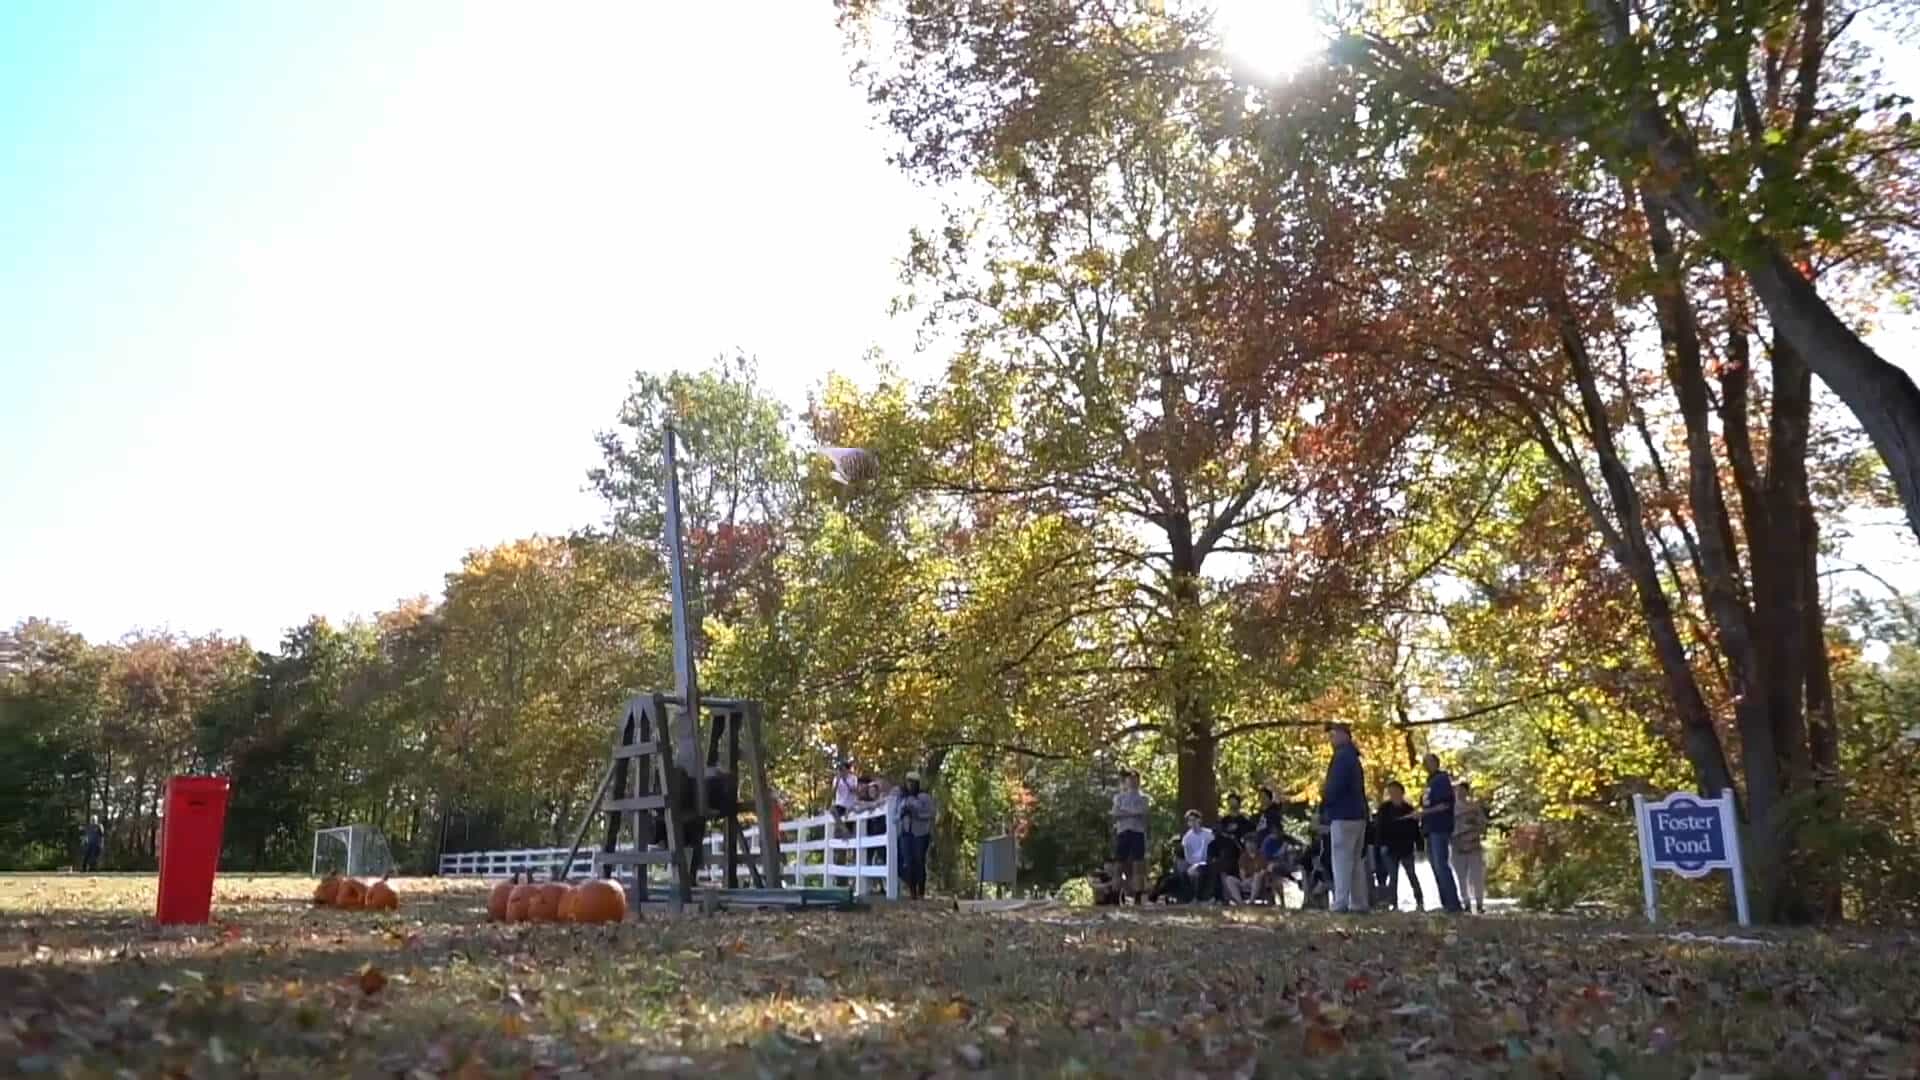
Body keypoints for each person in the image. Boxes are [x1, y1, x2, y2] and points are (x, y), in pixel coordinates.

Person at [1319, 723, 1370, 913]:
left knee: (1341, 858)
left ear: (1344, 735)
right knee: (1355, 860)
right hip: (1358, 814)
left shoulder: (1341, 757)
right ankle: (1359, 902)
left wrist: (1325, 800)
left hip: (1343, 814)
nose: (1331, 740)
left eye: (1333, 735)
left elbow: (1335, 787)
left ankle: (1340, 901)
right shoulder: (1353, 757)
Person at [1419, 753, 1465, 914]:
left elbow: (1445, 805)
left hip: (1440, 827)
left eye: (1429, 762)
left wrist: (1424, 813)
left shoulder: (1441, 780)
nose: (1425, 765)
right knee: (1435, 866)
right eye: (1424, 762)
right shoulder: (1429, 782)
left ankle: (1453, 904)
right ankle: (1446, 903)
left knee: (1441, 864)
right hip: (1429, 829)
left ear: (1436, 763)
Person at [1374, 782, 1424, 911]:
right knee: (1393, 876)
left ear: (1402, 792)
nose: (1393, 794)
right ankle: (1393, 904)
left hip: (1406, 848)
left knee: (1412, 875)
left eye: (1395, 791)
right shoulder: (1384, 809)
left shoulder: (1408, 809)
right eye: (1391, 791)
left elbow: (1416, 830)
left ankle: (1419, 901)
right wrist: (1381, 845)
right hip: (1390, 848)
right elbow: (1379, 829)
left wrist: (1419, 847)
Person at [1110, 770, 1150, 905]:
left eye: (1135, 779)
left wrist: (1125, 813)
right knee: (1118, 865)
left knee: (1138, 865)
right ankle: (1116, 895)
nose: (1133, 782)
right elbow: (1115, 813)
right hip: (1123, 832)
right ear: (1125, 782)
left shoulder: (1144, 798)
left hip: (1137, 833)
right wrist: (1132, 813)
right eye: (1130, 779)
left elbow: (1143, 812)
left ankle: (1138, 896)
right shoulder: (1119, 798)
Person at [896, 771, 937, 899]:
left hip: (921, 833)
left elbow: (931, 814)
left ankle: (921, 891)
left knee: (919, 861)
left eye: (913, 782)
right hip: (906, 832)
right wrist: (901, 814)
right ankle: (912, 891)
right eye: (908, 782)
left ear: (917, 783)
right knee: (908, 861)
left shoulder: (924, 797)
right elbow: (895, 816)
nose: (910, 785)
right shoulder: (902, 798)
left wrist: (917, 814)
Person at [1452, 780, 1490, 914]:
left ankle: (1479, 904)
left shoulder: (1474, 807)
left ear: (1467, 792)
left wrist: (1477, 829)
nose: (1460, 793)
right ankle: (1466, 903)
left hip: (1474, 846)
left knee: (1477, 877)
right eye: (1457, 790)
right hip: (1457, 848)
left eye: (1463, 790)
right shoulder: (1450, 809)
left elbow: (1483, 823)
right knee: (1461, 877)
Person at [1180, 810, 1217, 901]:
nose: (1192, 823)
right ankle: (1192, 897)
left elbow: (1213, 850)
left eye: (1194, 820)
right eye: (1190, 821)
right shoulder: (1187, 838)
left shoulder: (1208, 834)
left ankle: (1210, 896)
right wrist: (1194, 864)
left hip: (1207, 862)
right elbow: (1187, 856)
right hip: (1192, 863)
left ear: (1199, 820)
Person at [831, 759, 860, 838]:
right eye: (840, 769)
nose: (842, 771)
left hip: (849, 805)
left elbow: (854, 791)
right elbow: (833, 792)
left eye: (843, 769)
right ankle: (843, 830)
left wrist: (845, 781)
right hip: (840, 804)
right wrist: (838, 780)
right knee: (833, 810)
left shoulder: (853, 778)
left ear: (848, 769)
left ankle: (846, 832)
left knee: (850, 830)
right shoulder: (836, 779)